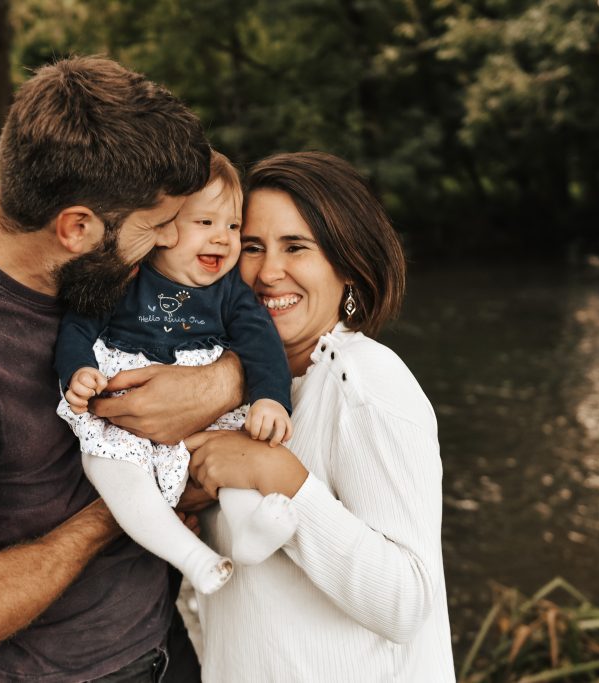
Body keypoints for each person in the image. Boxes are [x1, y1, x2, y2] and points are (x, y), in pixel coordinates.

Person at [0, 56, 245, 682]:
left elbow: (259, 331)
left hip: (162, 643)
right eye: (155, 228)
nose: (173, 242)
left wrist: (219, 382)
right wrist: (120, 512)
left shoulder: (92, 268)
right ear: (76, 228)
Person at [186, 151, 457, 681]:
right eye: (252, 247)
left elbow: (407, 601)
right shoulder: (235, 386)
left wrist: (279, 478)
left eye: (296, 248)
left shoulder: (367, 382)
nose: (267, 272)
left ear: (348, 266)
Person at [54, 151, 296, 596]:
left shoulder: (231, 294)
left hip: (204, 417)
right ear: (164, 229)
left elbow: (263, 347)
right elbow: (77, 325)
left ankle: (248, 533)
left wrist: (270, 398)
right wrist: (79, 370)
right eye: (206, 223)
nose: (223, 239)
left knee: (236, 455)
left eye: (233, 226)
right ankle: (191, 557)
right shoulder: (127, 275)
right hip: (122, 405)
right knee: (109, 467)